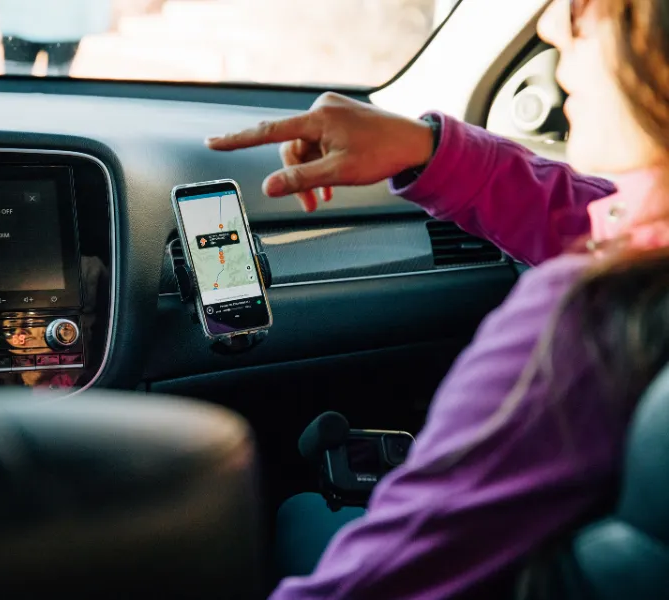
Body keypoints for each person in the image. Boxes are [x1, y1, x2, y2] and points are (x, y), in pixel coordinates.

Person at [207, 0, 669, 597]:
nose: (552, 24)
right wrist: (428, 150)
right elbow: (602, 215)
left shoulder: (591, 322)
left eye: (587, 6)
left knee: (298, 513)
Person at [0, 0, 112, 76]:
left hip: (18, 25)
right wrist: (97, 22)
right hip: (65, 27)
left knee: (17, 94)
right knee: (57, 94)